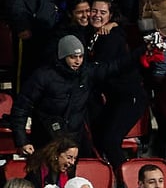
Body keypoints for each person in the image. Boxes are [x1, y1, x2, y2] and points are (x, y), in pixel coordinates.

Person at [8, 34, 143, 158]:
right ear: (62, 56)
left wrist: (142, 51)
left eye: (81, 57)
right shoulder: (42, 76)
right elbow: (21, 108)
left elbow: (116, 66)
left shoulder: (86, 73)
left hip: (74, 140)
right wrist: (22, 141)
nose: (78, 61)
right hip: (46, 139)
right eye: (73, 57)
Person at [85, 0, 149, 167]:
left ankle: (126, 184)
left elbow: (102, 70)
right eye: (94, 11)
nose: (97, 15)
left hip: (130, 97)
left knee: (110, 141)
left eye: (103, 12)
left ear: (110, 15)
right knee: (98, 137)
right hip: (115, 98)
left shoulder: (111, 37)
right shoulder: (92, 35)